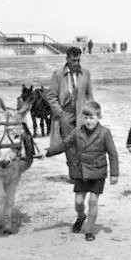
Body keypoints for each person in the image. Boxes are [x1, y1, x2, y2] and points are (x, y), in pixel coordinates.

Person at [43, 101, 118, 241]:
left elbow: (113, 154)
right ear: (82, 118)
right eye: (86, 118)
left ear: (99, 117)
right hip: (81, 171)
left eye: (92, 118)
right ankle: (81, 216)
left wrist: (114, 174)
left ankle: (89, 230)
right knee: (78, 202)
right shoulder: (77, 132)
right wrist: (48, 152)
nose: (89, 121)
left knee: (93, 201)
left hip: (97, 172)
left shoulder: (105, 133)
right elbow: (65, 144)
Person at [46, 47, 94, 179]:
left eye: (78, 60)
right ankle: (74, 175)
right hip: (65, 114)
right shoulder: (58, 74)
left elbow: (89, 95)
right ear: (67, 59)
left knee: (83, 142)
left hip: (82, 114)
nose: (77, 63)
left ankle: (84, 171)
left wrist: (92, 112)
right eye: (74, 60)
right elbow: (51, 96)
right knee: (70, 144)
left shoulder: (85, 73)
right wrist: (60, 113)